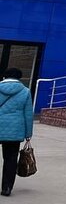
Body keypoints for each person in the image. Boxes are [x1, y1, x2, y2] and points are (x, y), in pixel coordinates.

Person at [0, 67, 33, 197]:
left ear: (4, 76)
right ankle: (7, 188)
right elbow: (28, 114)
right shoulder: (25, 91)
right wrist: (28, 134)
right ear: (19, 78)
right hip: (14, 130)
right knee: (11, 159)